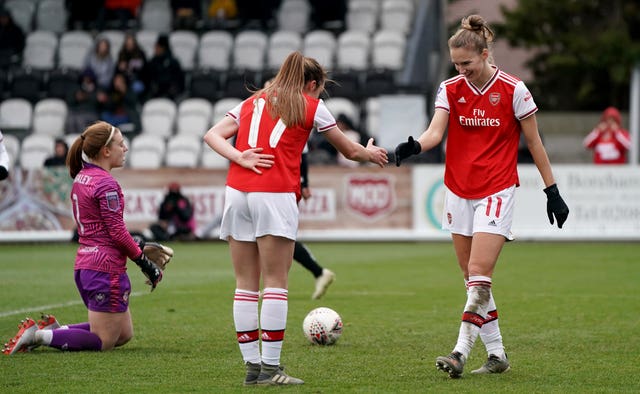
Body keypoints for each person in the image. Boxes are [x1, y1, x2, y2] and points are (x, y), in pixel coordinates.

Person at [395, 15, 569, 378]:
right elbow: (434, 134)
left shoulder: (514, 89)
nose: (461, 70)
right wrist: (413, 146)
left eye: (467, 64)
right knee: (471, 278)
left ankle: (459, 352)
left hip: (497, 189)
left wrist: (551, 191)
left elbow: (534, 142)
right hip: (458, 191)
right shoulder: (450, 88)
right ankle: (497, 355)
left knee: (479, 277)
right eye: (456, 64)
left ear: (485, 54)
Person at [203, 51, 387, 386]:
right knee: (276, 281)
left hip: (236, 191)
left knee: (245, 284)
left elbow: (212, 135)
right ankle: (271, 370)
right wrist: (371, 153)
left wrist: (239, 157)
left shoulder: (254, 100)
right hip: (273, 192)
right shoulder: (310, 104)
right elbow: (349, 150)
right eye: (320, 88)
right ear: (313, 83)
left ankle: (252, 370)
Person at [2, 121, 163, 355]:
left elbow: (106, 229)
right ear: (106, 151)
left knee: (123, 334)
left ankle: (56, 331)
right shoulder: (106, 183)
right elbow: (116, 233)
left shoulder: (83, 176)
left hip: (87, 265)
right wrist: (145, 263)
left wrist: (136, 245)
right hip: (104, 270)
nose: (125, 148)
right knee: (104, 340)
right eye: (121, 144)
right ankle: (37, 336)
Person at [297, 149, 335, 299]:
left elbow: (302, 153)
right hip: (266, 184)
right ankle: (319, 272)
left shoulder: (292, 124)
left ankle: (271, 287)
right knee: (274, 237)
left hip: (280, 185)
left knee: (278, 238)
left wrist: (304, 184)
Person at [144, 34, 185, 100]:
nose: (155, 49)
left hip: (171, 91)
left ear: (163, 48)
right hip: (156, 91)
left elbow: (179, 79)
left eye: (157, 47)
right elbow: (148, 77)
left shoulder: (173, 62)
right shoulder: (152, 62)